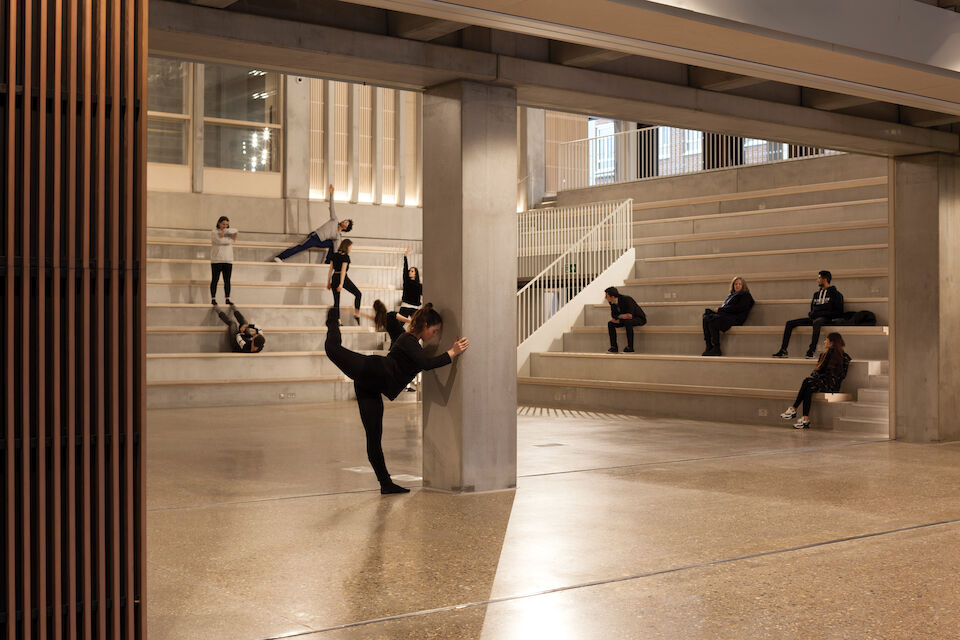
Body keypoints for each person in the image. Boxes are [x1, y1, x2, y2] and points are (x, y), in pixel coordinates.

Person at [324, 304, 469, 494]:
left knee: (374, 438)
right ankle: (332, 318)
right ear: (425, 325)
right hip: (370, 369)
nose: (435, 335)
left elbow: (391, 317)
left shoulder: (407, 339)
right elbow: (426, 364)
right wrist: (453, 351)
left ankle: (385, 484)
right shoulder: (408, 340)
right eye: (434, 331)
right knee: (332, 348)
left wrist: (415, 319)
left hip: (370, 386)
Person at [780, 332, 851, 429]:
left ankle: (794, 409)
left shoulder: (828, 355)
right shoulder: (844, 356)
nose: (825, 341)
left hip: (829, 385)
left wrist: (819, 377)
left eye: (826, 339)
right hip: (830, 384)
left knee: (807, 381)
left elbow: (820, 371)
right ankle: (805, 419)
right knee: (808, 388)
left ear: (831, 342)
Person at [772, 270, 844, 359]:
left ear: (825, 279)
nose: (817, 280)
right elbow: (812, 310)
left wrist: (822, 313)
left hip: (826, 319)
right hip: (815, 318)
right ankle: (783, 350)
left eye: (819, 278)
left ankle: (811, 350)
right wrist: (812, 314)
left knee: (817, 322)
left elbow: (839, 312)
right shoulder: (816, 294)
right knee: (789, 323)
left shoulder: (836, 294)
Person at [273, 184, 353, 264]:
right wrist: (331, 195)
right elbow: (332, 208)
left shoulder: (338, 236)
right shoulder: (334, 220)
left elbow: (336, 249)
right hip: (315, 237)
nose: (344, 221)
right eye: (345, 220)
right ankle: (280, 257)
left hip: (321, 241)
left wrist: (341, 258)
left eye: (347, 222)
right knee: (301, 247)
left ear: (346, 228)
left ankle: (328, 262)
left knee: (333, 244)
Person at [701, 276, 755, 356]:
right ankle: (708, 345)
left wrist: (720, 310)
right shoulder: (731, 295)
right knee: (706, 315)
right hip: (726, 316)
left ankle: (716, 348)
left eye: (740, 284)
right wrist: (719, 310)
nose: (737, 285)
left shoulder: (746, 295)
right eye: (735, 284)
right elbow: (726, 308)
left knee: (713, 320)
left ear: (743, 286)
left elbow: (738, 308)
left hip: (735, 318)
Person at [328, 239, 363, 325]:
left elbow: (330, 270)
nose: (351, 248)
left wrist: (328, 282)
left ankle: (338, 320)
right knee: (358, 294)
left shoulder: (334, 255)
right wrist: (341, 284)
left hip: (334, 277)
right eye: (350, 247)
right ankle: (357, 314)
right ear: (347, 246)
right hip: (342, 278)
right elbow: (343, 271)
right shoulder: (345, 257)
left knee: (336, 301)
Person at [604, 286, 646, 353]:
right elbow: (613, 315)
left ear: (612, 296)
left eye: (606, 296)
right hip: (625, 319)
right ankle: (614, 347)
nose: (605, 298)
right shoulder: (611, 302)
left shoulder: (626, 299)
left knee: (628, 322)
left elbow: (630, 315)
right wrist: (620, 317)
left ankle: (630, 347)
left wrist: (619, 317)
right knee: (610, 323)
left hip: (638, 318)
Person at [210, 216, 238, 305]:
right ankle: (213, 299)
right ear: (219, 223)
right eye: (223, 224)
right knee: (215, 280)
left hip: (228, 260)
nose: (225, 226)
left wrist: (225, 235)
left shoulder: (229, 231)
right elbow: (220, 241)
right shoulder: (214, 232)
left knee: (227, 280)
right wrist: (230, 238)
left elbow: (236, 231)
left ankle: (227, 299)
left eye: (227, 224)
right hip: (216, 260)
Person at [399, 248, 422, 318]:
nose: (409, 272)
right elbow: (405, 269)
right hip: (405, 306)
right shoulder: (407, 281)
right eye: (409, 271)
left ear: (416, 274)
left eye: (412, 271)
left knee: (417, 327)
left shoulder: (419, 285)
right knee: (399, 324)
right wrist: (405, 256)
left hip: (415, 308)